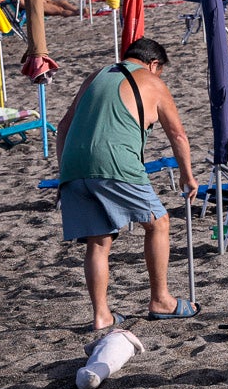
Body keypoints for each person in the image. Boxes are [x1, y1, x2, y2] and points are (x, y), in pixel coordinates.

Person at [56, 38, 199, 330]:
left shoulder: (96, 75)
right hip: (114, 161)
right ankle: (160, 300)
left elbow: (62, 126)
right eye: (160, 71)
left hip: (73, 165)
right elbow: (178, 136)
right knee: (158, 222)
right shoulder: (153, 82)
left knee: (98, 241)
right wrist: (187, 175)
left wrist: (65, 171)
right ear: (154, 64)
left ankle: (101, 315)